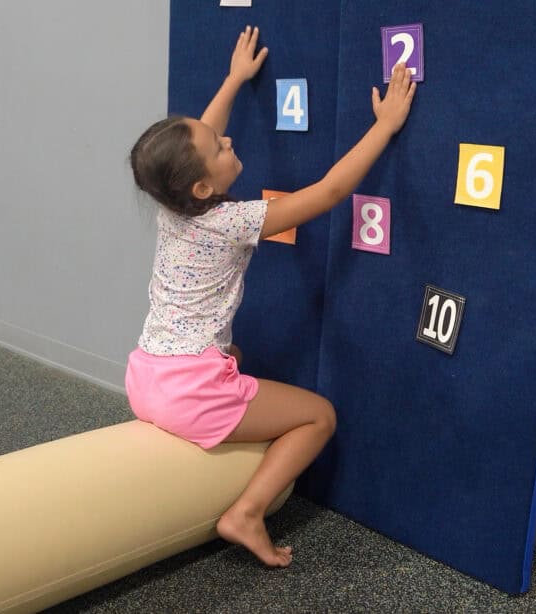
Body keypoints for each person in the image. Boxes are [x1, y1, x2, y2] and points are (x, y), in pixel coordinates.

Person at [126, 25, 416, 568]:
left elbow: (202, 133)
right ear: (202, 187)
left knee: (234, 358)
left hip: (145, 375)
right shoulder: (234, 220)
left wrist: (234, 79)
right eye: (220, 148)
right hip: (188, 389)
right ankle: (248, 512)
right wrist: (385, 126)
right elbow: (329, 191)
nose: (228, 139)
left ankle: (220, 393)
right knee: (319, 417)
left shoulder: (172, 206)